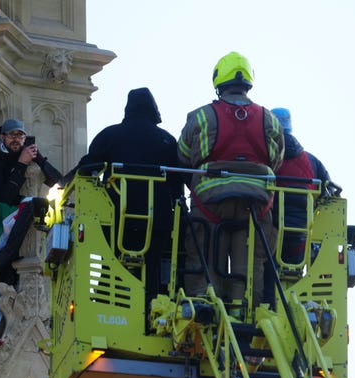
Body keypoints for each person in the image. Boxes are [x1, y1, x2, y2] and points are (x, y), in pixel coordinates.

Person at [177, 51, 284, 315]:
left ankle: (204, 304)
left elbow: (183, 155)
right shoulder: (270, 119)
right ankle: (243, 310)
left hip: (210, 203)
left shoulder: (200, 116)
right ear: (248, 82)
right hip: (256, 205)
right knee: (249, 265)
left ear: (219, 82)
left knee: (204, 258)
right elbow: (277, 159)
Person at [64, 87, 184, 316]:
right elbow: (178, 182)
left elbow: (88, 169)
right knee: (152, 265)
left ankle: (107, 309)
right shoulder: (167, 140)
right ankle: (150, 311)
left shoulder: (110, 135)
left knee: (111, 265)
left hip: (116, 216)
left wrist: (64, 182)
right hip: (157, 218)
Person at [0, 118, 62, 343]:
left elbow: (59, 181)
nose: (16, 139)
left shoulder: (26, 153)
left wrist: (39, 159)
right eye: (12, 135)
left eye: (20, 135)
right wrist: (21, 164)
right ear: (2, 137)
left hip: (18, 220)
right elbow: (2, 198)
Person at [263, 107, 334, 306]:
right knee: (293, 274)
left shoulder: (266, 158)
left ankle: (265, 304)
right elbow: (330, 194)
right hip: (303, 235)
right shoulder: (312, 162)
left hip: (271, 232)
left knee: (265, 270)